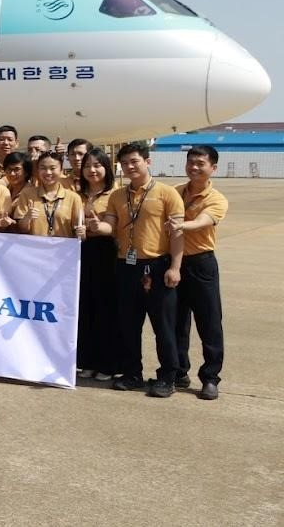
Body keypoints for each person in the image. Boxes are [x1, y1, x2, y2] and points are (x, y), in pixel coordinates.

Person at [100, 142, 186, 398]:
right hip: (126, 266)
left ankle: (168, 376)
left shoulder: (167, 193)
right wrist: (96, 226)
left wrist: (175, 267)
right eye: (125, 163)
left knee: (164, 326)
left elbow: (177, 233)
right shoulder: (117, 195)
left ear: (147, 162)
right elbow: (110, 226)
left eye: (134, 161)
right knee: (128, 324)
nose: (129, 167)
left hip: (157, 266)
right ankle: (132, 373)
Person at [172, 145, 229, 400]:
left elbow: (201, 222)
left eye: (200, 163)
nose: (194, 167)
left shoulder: (216, 199)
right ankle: (178, 371)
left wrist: (180, 224)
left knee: (209, 322)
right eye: (190, 162)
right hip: (174, 262)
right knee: (176, 321)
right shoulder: (175, 192)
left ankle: (210, 377)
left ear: (213, 168)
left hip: (201, 264)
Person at [77, 147, 120, 380]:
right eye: (87, 166)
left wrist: (96, 227)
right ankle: (87, 361)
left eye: (97, 165)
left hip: (106, 253)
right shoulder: (77, 194)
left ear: (107, 168)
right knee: (85, 308)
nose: (92, 170)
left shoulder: (116, 193)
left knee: (106, 309)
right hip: (82, 252)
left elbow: (115, 227)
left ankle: (107, 364)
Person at [12, 153, 85, 238]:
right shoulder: (27, 194)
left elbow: (79, 233)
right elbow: (21, 230)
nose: (48, 172)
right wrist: (27, 218)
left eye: (53, 168)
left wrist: (81, 233)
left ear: (61, 170)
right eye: (43, 168)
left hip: (63, 245)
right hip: (34, 245)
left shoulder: (73, 198)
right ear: (38, 170)